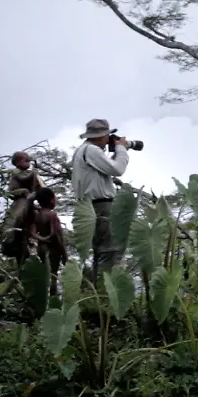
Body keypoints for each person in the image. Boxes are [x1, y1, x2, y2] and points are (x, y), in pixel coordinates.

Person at [70, 119, 131, 280]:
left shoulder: (81, 150)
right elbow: (118, 169)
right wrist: (121, 148)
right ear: (101, 136)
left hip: (91, 206)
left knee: (101, 252)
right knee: (111, 251)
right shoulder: (92, 150)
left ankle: (98, 293)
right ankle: (106, 293)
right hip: (102, 205)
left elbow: (105, 169)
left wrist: (115, 152)